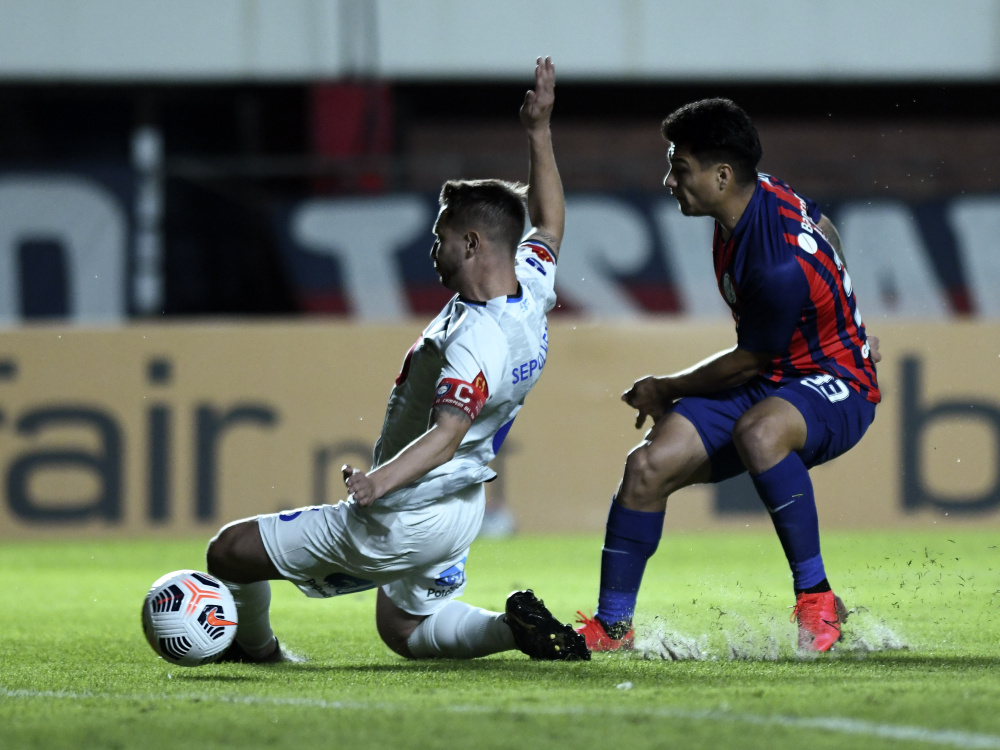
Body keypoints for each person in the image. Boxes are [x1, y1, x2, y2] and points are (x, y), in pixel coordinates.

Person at [206, 57, 589, 663]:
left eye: (440, 237)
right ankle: (509, 630)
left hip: (406, 510)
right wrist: (538, 132)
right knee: (404, 629)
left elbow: (447, 433)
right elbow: (549, 223)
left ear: (471, 244)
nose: (432, 250)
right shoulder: (530, 286)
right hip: (462, 508)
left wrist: (375, 484)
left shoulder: (476, 339)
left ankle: (254, 650)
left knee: (226, 552)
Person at [575, 98, 881, 653]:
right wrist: (847, 309)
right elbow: (827, 229)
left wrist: (664, 388)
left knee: (760, 433)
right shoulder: (757, 196)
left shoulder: (773, 260)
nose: (668, 180)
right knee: (645, 467)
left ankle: (817, 599)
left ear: (721, 175)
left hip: (835, 378)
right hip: (775, 377)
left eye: (679, 167)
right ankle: (612, 628)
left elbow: (749, 360)